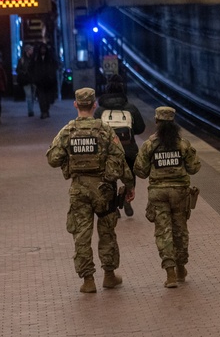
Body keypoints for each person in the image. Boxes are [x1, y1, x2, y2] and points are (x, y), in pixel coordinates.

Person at [46, 88, 136, 294]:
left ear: (76, 105)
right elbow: (120, 160)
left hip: (79, 191)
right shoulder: (105, 130)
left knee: (81, 235)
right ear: (94, 105)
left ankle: (88, 280)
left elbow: (52, 159)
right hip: (104, 190)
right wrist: (129, 185)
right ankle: (109, 276)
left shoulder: (67, 131)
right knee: (107, 233)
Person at [134, 106, 201, 288]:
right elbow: (194, 167)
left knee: (163, 232)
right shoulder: (183, 144)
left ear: (156, 122)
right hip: (180, 193)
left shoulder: (150, 144)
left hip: (158, 193)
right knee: (180, 230)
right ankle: (181, 268)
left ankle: (170, 274)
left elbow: (140, 171)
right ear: (173, 122)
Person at [93, 74, 146, 217]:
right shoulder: (131, 108)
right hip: (128, 149)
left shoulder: (100, 110)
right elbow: (141, 128)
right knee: (130, 173)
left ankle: (114, 205)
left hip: (108, 151)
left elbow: (95, 131)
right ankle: (128, 198)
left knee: (110, 177)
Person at [32, 43, 58, 119]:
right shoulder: (37, 59)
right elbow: (32, 67)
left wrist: (51, 76)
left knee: (47, 98)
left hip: (48, 81)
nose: (43, 50)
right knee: (41, 98)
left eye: (44, 49)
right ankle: (43, 111)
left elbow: (55, 66)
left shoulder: (49, 58)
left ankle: (46, 110)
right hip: (40, 82)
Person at [16, 44, 36, 117]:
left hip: (33, 80)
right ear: (27, 51)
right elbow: (18, 69)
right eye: (31, 50)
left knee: (32, 96)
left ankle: (31, 109)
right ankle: (30, 111)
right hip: (26, 80)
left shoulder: (33, 59)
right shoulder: (22, 60)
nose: (32, 51)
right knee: (29, 96)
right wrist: (24, 73)